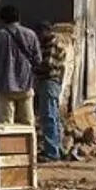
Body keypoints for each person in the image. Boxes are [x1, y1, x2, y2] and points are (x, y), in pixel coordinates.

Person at [0, 6, 41, 125]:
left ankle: (8, 144)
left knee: (6, 124)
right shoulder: (31, 34)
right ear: (19, 18)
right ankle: (30, 143)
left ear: (2, 19)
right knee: (28, 122)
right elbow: (38, 59)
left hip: (4, 84)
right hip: (26, 84)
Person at [32, 20, 66, 162]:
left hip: (49, 82)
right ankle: (57, 149)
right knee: (54, 117)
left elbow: (48, 65)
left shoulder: (51, 45)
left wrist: (33, 69)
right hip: (52, 83)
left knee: (49, 117)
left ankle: (52, 152)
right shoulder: (50, 44)